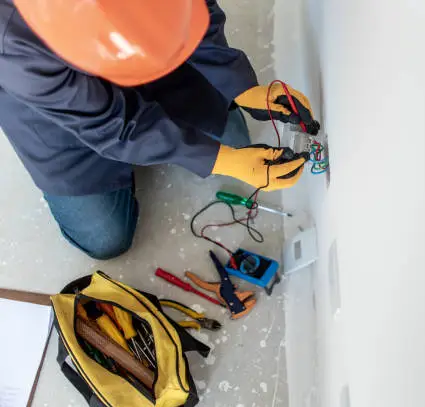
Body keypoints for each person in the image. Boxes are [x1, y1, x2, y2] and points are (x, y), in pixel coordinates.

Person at [0, 0, 319, 260]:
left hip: (142, 54)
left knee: (234, 138)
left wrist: (241, 87)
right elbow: (110, 125)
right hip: (57, 119)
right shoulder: (11, 41)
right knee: (106, 239)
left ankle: (157, 116)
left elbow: (194, 12)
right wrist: (224, 162)